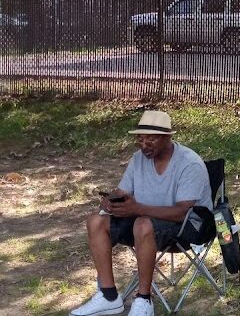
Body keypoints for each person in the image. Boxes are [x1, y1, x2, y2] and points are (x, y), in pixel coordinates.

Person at [70, 111, 214, 316]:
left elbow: (183, 213)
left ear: (168, 137)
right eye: (140, 139)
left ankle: (144, 300)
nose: (144, 145)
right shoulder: (138, 159)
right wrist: (111, 200)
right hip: (145, 224)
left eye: (151, 139)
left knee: (143, 224)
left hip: (187, 229)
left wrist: (137, 209)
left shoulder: (189, 163)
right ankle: (108, 296)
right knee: (96, 221)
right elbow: (122, 192)